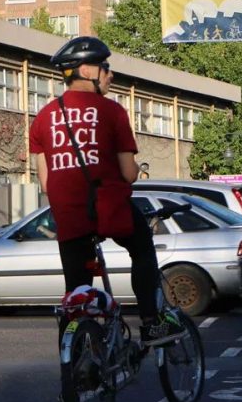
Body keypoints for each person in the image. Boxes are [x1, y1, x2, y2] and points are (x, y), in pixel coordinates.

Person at [29, 36, 180, 349]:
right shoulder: (112, 111)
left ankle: (76, 359)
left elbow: (45, 182)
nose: (110, 74)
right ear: (86, 70)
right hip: (110, 208)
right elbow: (128, 173)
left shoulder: (43, 118)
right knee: (142, 250)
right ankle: (151, 323)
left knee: (76, 292)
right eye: (105, 67)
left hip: (69, 216)